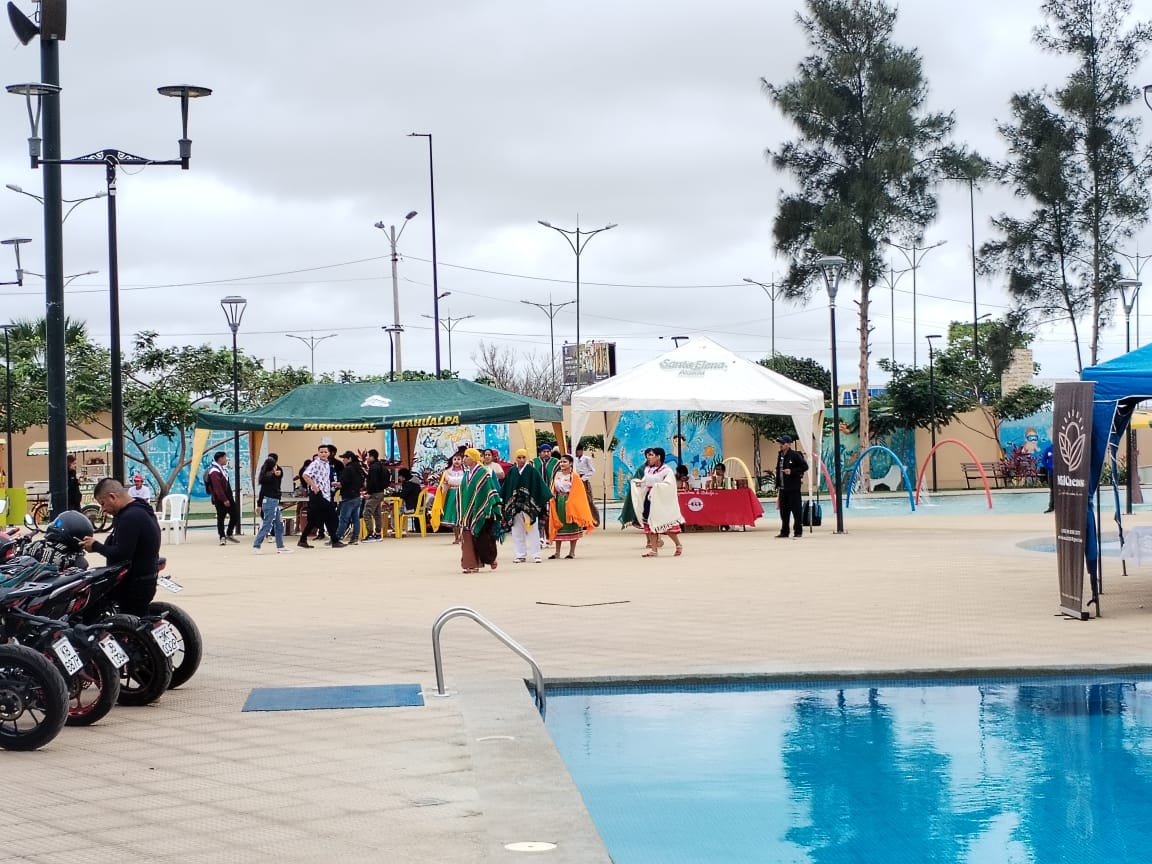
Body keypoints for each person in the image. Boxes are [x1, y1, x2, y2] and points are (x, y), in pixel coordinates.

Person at [80, 478, 162, 616]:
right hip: (145, 577)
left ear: (112, 496)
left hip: (134, 584)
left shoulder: (130, 517)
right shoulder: (140, 508)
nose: (103, 509)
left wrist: (96, 546)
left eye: (103, 503)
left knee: (92, 604)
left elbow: (121, 553)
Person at [500, 448, 551, 564]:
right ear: (516, 459)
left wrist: (538, 502)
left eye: (523, 457)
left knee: (533, 530)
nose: (521, 460)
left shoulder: (532, 471)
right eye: (519, 457)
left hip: (529, 506)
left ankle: (536, 555)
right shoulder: (512, 471)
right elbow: (507, 487)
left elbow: (539, 486)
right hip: (515, 506)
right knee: (517, 531)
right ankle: (520, 555)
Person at [631, 447, 684, 557]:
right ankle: (654, 550)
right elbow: (646, 481)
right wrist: (640, 484)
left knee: (665, 525)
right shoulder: (648, 470)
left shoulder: (666, 470)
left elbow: (669, 485)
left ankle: (678, 545)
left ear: (658, 457)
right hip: (649, 499)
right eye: (648, 455)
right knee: (650, 523)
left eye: (651, 455)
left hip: (660, 500)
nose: (648, 457)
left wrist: (657, 487)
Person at [458, 448, 504, 573]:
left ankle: (490, 559)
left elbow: (488, 491)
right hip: (467, 511)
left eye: (467, 456)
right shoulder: (467, 474)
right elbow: (464, 492)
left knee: (483, 537)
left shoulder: (483, 473)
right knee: (468, 537)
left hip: (481, 510)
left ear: (474, 458)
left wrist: (487, 508)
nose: (464, 459)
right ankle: (471, 564)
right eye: (464, 456)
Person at [548, 454, 596, 559]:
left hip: (570, 503)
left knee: (572, 525)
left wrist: (571, 502)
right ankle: (557, 552)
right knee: (558, 525)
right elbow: (553, 488)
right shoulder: (557, 475)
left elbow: (579, 492)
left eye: (565, 462)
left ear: (570, 464)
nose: (562, 464)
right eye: (561, 462)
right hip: (558, 502)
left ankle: (571, 552)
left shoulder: (574, 476)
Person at [299, 447, 341, 548]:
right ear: (318, 453)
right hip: (318, 494)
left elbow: (323, 479)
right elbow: (305, 475)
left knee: (315, 518)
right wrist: (314, 487)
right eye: (321, 452)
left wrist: (333, 484)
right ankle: (335, 540)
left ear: (329, 453)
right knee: (330, 515)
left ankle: (303, 539)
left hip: (326, 494)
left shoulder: (327, 465)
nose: (323, 454)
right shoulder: (316, 463)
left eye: (325, 452)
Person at [253, 454, 291, 554]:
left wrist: (259, 504)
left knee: (279, 524)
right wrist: (259, 504)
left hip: (273, 502)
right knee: (267, 525)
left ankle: (280, 546)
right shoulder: (269, 476)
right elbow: (275, 477)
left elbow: (262, 491)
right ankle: (256, 546)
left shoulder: (267, 476)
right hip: (271, 502)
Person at [775, 434, 808, 538]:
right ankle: (784, 531)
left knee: (796, 510)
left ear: (789, 444)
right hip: (783, 488)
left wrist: (792, 471)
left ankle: (798, 531)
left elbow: (805, 466)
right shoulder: (780, 455)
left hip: (793, 488)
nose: (780, 445)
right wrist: (777, 483)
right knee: (784, 511)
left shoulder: (795, 455)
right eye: (780, 443)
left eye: (783, 443)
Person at [205, 451, 241, 546]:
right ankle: (222, 537)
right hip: (220, 498)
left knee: (235, 515)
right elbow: (217, 487)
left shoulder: (222, 469)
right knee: (221, 517)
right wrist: (224, 499)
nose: (226, 459)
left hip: (228, 496)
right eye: (225, 458)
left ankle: (229, 533)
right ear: (220, 459)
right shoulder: (214, 471)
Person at [430, 454, 466, 543]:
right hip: (451, 495)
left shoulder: (466, 471)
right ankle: (456, 537)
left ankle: (462, 536)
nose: (457, 461)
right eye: (455, 459)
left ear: (462, 461)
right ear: (452, 461)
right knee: (454, 517)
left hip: (463, 494)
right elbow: (445, 484)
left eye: (458, 459)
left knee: (462, 515)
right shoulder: (447, 472)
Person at [335, 451, 365, 545]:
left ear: (349, 459)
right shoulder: (359, 469)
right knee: (356, 519)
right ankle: (355, 538)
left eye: (344, 458)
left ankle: (336, 538)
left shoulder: (348, 469)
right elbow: (363, 483)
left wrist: (334, 484)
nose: (343, 460)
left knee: (343, 518)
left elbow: (342, 483)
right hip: (357, 496)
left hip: (348, 497)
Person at [362, 449, 390, 541]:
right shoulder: (382, 467)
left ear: (372, 457)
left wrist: (369, 492)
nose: (367, 458)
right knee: (377, 514)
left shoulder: (373, 467)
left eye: (368, 456)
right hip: (381, 492)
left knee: (367, 513)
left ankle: (370, 534)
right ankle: (378, 534)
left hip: (374, 493)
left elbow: (372, 481)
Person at [573, 445, 600, 527]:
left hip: (584, 480)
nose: (576, 453)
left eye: (577, 451)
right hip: (576, 480)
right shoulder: (574, 459)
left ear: (581, 451)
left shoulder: (587, 459)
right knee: (578, 501)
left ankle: (595, 520)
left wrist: (584, 478)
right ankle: (582, 521)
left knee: (589, 500)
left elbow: (592, 470)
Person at [1041, 443, 1055, 513]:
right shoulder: (1048, 449)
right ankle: (1051, 507)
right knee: (1052, 490)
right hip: (1051, 473)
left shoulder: (1061, 449)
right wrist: (1049, 468)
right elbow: (1043, 461)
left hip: (1060, 474)